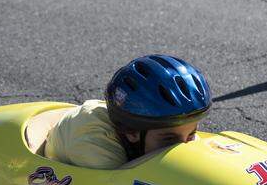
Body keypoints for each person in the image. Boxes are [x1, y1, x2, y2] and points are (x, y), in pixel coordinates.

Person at [44, 55, 212, 169]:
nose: (183, 147)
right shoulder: (98, 151)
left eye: (191, 133)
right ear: (132, 132)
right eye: (169, 139)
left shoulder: (152, 131)